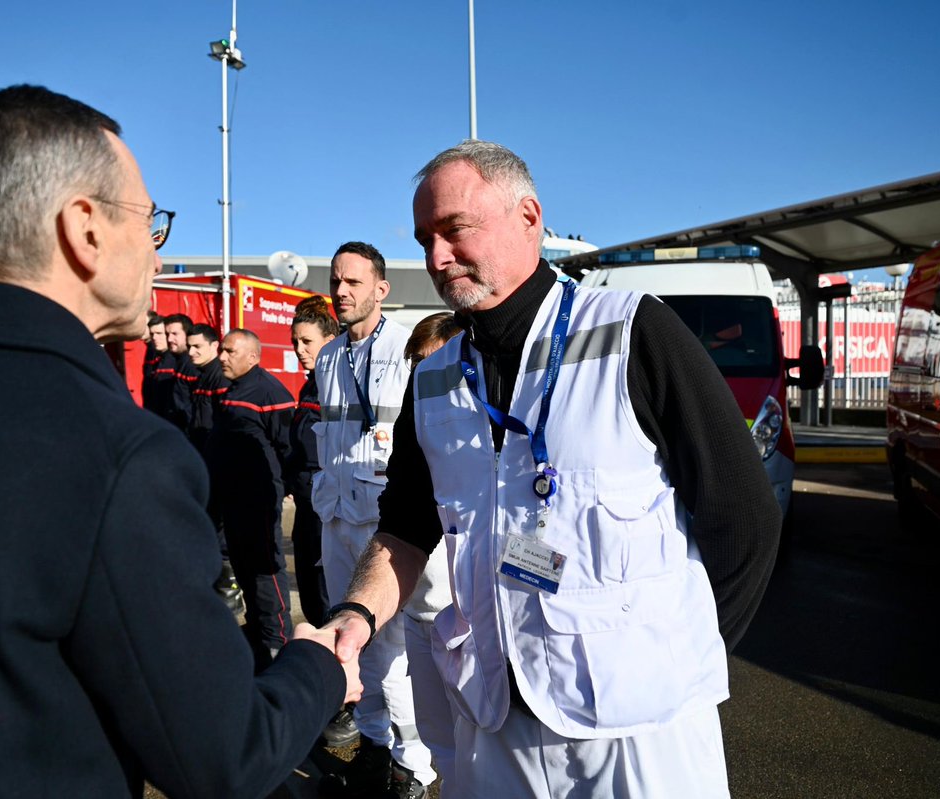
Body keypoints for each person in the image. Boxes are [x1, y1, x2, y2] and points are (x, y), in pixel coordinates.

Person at [0, 84, 360, 798]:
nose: (158, 257)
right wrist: (318, 665)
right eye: (149, 221)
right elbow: (224, 755)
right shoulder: (120, 457)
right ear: (84, 229)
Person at [324, 140, 782, 798]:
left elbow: (742, 517)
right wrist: (357, 614)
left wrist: (679, 666)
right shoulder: (432, 382)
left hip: (637, 735)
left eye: (454, 229)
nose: (435, 257)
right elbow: (403, 531)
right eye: (425, 237)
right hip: (494, 720)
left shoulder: (632, 334)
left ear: (528, 217)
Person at [312, 242, 449, 798]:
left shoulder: (408, 348)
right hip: (336, 514)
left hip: (388, 524)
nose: (341, 292)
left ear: (381, 289)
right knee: (352, 642)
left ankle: (414, 765)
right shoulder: (326, 357)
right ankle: (372, 746)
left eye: (353, 282)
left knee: (393, 649)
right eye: (336, 281)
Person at [207, 328, 297, 671]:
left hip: (258, 503)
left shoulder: (270, 392)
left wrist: (281, 488)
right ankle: (259, 635)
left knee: (264, 573)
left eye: (230, 351)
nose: (222, 357)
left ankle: (278, 643)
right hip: (231, 502)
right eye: (222, 350)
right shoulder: (231, 390)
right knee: (244, 570)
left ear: (253, 357)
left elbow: (288, 447)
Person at [399, 311, 464, 783]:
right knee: (437, 739)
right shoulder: (414, 423)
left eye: (433, 361)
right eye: (417, 365)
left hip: (463, 616)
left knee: (478, 743)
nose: (425, 375)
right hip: (418, 609)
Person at [286, 295, 339, 629]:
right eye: (295, 342)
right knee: (307, 588)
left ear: (329, 342)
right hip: (306, 506)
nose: (299, 349)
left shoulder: (337, 388)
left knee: (323, 594)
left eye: (307, 341)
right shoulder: (311, 385)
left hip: (325, 509)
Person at [185, 322, 230, 454]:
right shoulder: (201, 375)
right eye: (189, 346)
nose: (191, 352)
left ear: (214, 345)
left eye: (197, 346)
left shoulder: (221, 377)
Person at [164, 312, 198, 430]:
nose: (169, 339)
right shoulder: (178, 362)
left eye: (174, 334)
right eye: (167, 334)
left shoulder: (192, 365)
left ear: (187, 335)